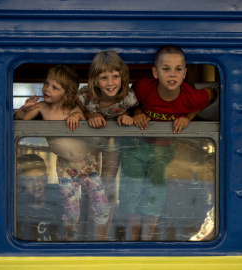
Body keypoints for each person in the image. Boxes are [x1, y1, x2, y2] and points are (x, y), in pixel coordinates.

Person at [119, 45, 215, 241]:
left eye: (178, 69)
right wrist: (138, 114)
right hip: (136, 146)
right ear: (155, 72)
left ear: (185, 73)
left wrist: (188, 116)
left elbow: (212, 94)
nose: (172, 74)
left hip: (164, 149)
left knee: (155, 194)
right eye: (166, 69)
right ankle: (133, 242)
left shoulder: (191, 96)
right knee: (132, 191)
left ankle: (146, 243)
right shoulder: (144, 87)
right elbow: (131, 103)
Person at [14, 65, 110, 241]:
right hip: (65, 166)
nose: (47, 89)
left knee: (101, 204)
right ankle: (70, 238)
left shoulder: (73, 107)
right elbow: (22, 119)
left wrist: (75, 116)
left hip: (87, 163)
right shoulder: (42, 107)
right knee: (71, 209)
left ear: (66, 95)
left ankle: (99, 236)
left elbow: (80, 115)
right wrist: (24, 109)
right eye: (46, 84)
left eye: (54, 87)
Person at [73, 50, 139, 239]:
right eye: (104, 77)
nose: (110, 83)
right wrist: (88, 115)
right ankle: (87, 232)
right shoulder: (85, 95)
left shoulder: (129, 97)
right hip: (91, 141)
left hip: (113, 142)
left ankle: (101, 235)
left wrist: (130, 116)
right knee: (91, 182)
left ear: (123, 76)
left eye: (115, 76)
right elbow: (74, 109)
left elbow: (138, 110)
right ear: (94, 80)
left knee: (108, 184)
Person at [16, 154, 65, 242]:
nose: (36, 184)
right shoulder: (17, 207)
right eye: (29, 180)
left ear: (46, 177)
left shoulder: (59, 199)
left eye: (40, 177)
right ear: (21, 182)